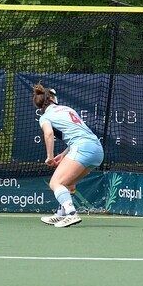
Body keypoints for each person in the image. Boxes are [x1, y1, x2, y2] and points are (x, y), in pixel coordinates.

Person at [34, 84, 103, 228]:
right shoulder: (68, 109)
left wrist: (50, 156)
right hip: (97, 150)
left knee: (55, 183)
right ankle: (61, 214)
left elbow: (48, 134)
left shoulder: (45, 117)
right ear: (52, 99)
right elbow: (79, 134)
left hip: (82, 148)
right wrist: (63, 154)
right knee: (67, 184)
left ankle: (71, 214)